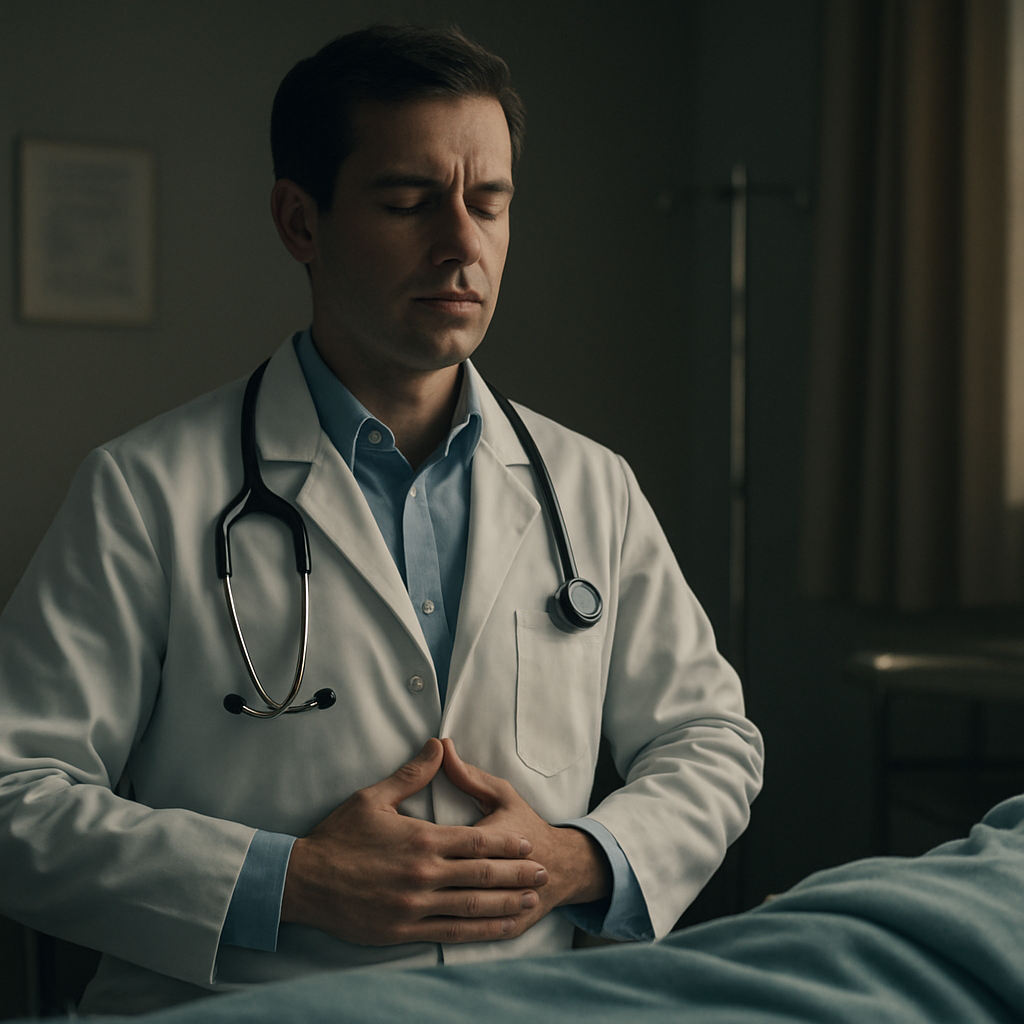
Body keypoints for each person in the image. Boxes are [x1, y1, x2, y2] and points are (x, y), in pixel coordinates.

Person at [0, 25, 763, 1015]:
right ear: (299, 222)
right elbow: (16, 790)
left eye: (488, 203)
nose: (462, 244)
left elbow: (708, 737)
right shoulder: (144, 491)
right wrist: (290, 881)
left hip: (526, 1002)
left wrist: (581, 859)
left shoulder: (590, 487)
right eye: (408, 202)